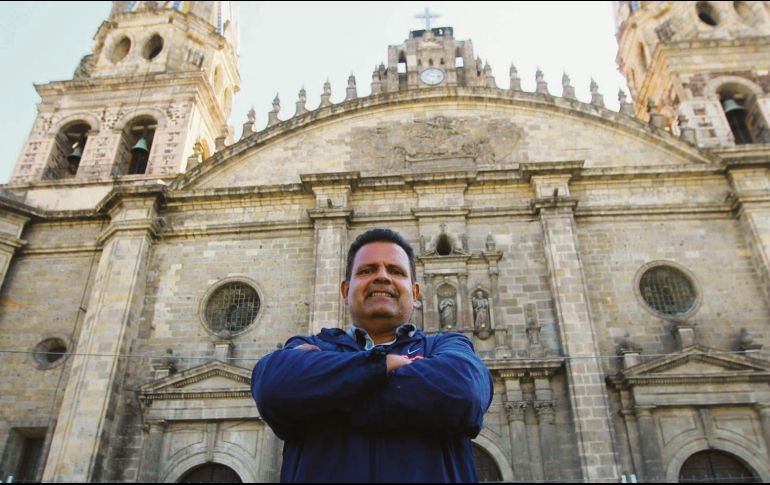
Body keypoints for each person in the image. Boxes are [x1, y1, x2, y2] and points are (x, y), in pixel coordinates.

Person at [251, 228, 493, 482]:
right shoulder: (313, 343)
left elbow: (466, 392)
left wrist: (329, 390)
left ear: (416, 293)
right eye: (367, 270)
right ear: (345, 291)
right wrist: (381, 365)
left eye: (395, 271)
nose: (382, 277)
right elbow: (272, 386)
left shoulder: (448, 345)